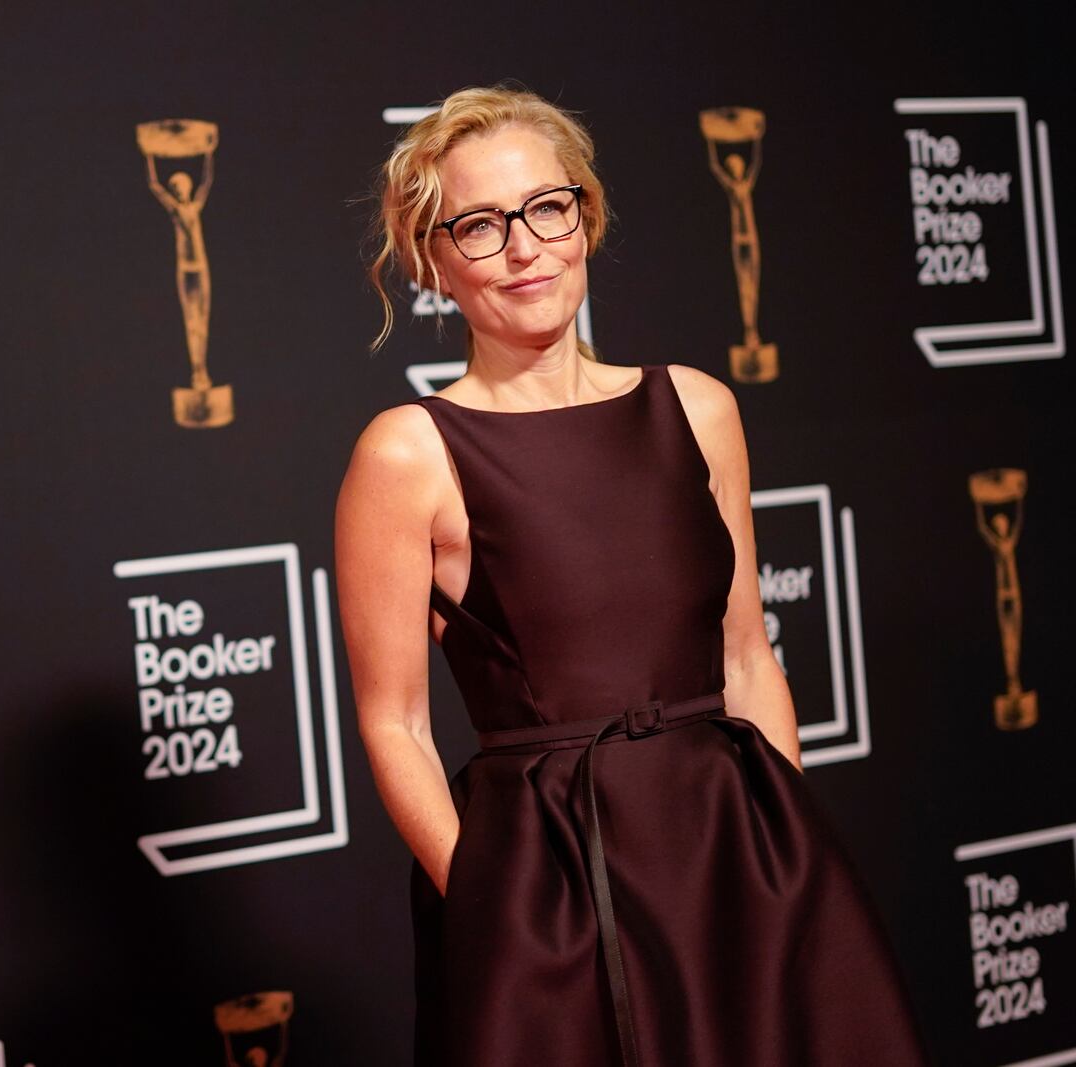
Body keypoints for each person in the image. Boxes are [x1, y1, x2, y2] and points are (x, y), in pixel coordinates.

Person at [335, 85, 929, 1066]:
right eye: (478, 226)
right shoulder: (408, 454)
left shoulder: (697, 408)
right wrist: (493, 907)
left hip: (734, 859)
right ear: (430, 258)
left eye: (545, 207)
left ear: (585, 216)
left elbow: (745, 651)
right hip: (547, 883)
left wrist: (780, 854)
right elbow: (390, 721)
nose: (523, 246)